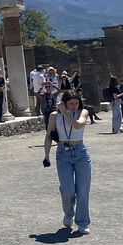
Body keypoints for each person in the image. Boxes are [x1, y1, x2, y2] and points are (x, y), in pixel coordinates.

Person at [42, 90, 91, 235]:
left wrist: (65, 113)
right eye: (71, 104)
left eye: (76, 103)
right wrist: (46, 155)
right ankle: (69, 213)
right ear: (64, 103)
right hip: (63, 153)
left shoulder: (83, 112)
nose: (74, 106)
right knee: (67, 189)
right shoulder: (54, 116)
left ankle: (82, 222)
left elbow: (77, 125)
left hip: (81, 152)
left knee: (83, 190)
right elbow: (49, 135)